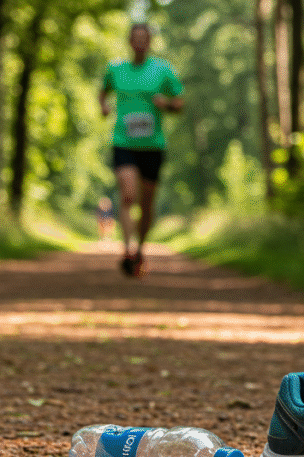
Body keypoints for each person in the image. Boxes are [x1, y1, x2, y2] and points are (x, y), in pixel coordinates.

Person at [99, 23, 183, 277]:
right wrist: (103, 106)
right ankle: (127, 249)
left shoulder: (163, 70)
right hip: (123, 142)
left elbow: (179, 103)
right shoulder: (115, 69)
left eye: (143, 38)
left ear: (149, 42)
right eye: (135, 38)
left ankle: (141, 249)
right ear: (129, 41)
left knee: (147, 202)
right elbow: (102, 93)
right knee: (127, 196)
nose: (139, 43)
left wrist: (166, 104)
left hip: (152, 145)